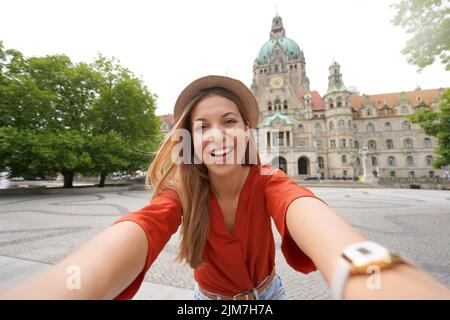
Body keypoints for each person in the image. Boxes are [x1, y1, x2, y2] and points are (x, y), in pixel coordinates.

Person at [1, 75, 449, 300]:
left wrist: (383, 282)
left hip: (268, 296)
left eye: (230, 121)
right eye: (203, 126)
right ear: (190, 138)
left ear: (249, 130)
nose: (217, 136)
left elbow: (337, 240)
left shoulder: (271, 182)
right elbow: (131, 234)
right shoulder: (180, 193)